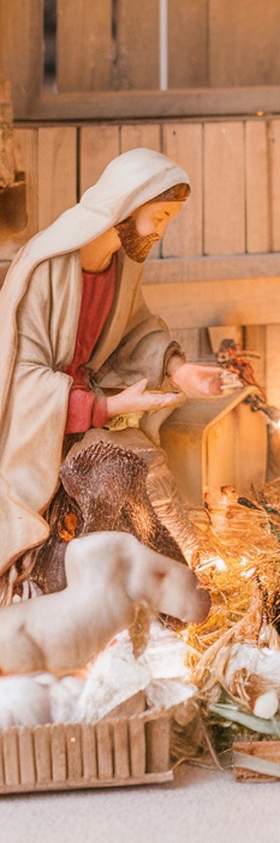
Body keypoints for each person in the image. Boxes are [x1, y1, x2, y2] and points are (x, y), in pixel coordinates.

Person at [0, 149, 222, 581]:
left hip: (86, 404)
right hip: (41, 426)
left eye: (167, 220)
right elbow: (22, 378)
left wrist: (179, 369)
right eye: (158, 216)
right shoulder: (45, 266)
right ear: (126, 205)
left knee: (150, 465)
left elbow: (134, 328)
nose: (160, 230)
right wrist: (107, 408)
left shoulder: (122, 263)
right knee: (117, 474)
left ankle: (192, 566)